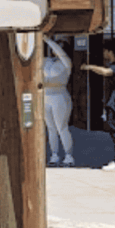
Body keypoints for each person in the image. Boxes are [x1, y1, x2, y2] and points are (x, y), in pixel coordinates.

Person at [81, 39, 115, 171]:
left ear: (110, 52)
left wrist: (89, 67)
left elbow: (105, 72)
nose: (104, 53)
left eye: (105, 50)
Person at [44, 37, 74, 166]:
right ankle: (54, 154)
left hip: (60, 95)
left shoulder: (66, 62)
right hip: (46, 96)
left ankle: (69, 155)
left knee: (62, 127)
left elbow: (61, 54)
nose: (55, 50)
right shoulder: (46, 61)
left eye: (60, 47)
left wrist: (47, 40)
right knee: (51, 128)